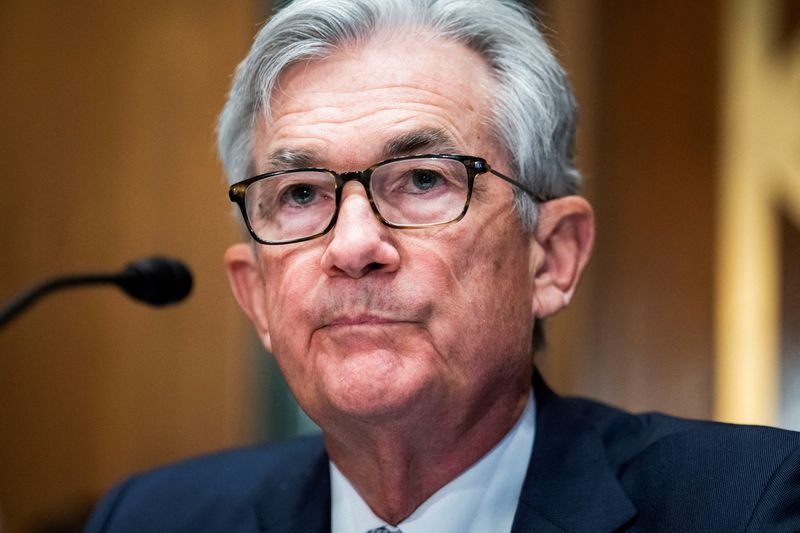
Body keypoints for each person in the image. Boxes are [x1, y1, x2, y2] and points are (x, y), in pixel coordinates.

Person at [86, 0, 800, 531]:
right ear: (255, 297)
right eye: (300, 193)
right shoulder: (154, 516)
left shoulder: (747, 504)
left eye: (424, 179)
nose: (353, 246)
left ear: (550, 257)